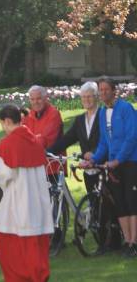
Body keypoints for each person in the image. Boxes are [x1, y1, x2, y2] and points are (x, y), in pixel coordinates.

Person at [48, 81, 122, 251]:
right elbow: (67, 140)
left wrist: (95, 155)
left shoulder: (104, 115)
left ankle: (114, 242)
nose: (87, 100)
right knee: (95, 206)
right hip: (88, 170)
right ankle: (102, 242)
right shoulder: (80, 120)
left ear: (96, 97)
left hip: (104, 165)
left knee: (109, 206)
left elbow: (109, 140)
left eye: (90, 96)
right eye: (84, 97)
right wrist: (47, 151)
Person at [0, 105, 53, 282]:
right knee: (36, 248)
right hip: (37, 202)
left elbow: (6, 175)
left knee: (11, 247)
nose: (3, 128)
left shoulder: (8, 144)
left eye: (2, 123)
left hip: (17, 201)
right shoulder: (33, 141)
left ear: (7, 121)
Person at [81, 77, 137, 256]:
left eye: (106, 89)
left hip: (129, 163)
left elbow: (131, 138)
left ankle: (134, 242)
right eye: (101, 90)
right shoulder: (103, 112)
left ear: (115, 91)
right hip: (113, 164)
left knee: (131, 201)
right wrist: (93, 160)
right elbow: (104, 143)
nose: (103, 92)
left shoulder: (126, 108)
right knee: (120, 203)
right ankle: (128, 241)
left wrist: (117, 160)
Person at [23, 85, 64, 180]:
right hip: (35, 165)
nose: (35, 102)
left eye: (38, 99)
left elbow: (45, 139)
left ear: (45, 98)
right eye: (32, 99)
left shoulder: (54, 114)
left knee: (53, 194)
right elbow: (18, 135)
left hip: (51, 166)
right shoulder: (29, 115)